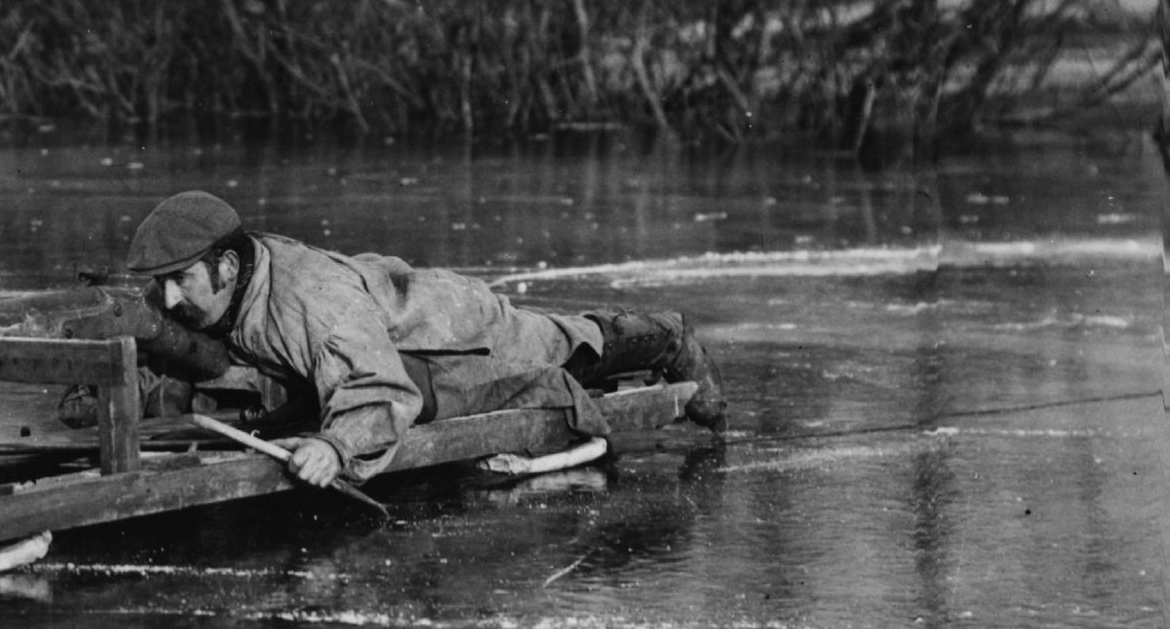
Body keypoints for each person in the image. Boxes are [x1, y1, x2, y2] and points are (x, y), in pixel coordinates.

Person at [122, 190, 723, 489]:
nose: (168, 301)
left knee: (565, 348)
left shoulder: (311, 305)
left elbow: (379, 386)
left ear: (227, 269)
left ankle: (667, 336)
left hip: (451, 332)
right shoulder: (219, 284)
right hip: (386, 300)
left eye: (179, 282)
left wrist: (336, 447)